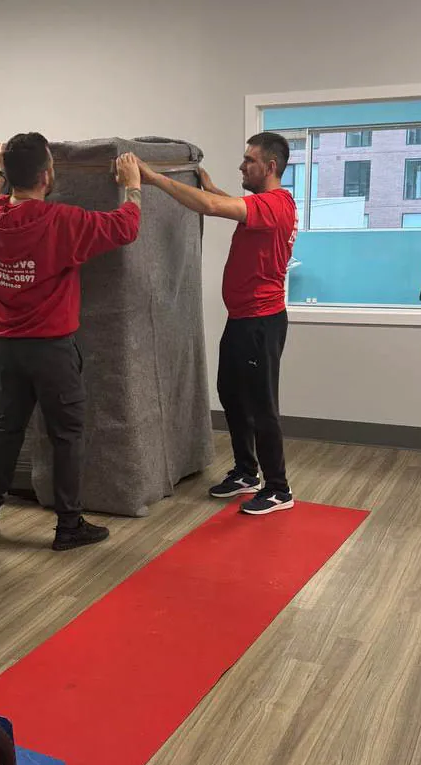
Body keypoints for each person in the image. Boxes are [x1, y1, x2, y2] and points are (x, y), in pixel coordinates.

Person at [0, 134, 142, 549]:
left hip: (7, 348)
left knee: (6, 431)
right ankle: (68, 526)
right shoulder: (62, 221)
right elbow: (127, 226)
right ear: (47, 175)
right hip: (51, 350)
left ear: (9, 176)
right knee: (66, 436)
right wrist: (132, 185)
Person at [136, 132, 297, 515]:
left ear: (270, 167)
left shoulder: (275, 204)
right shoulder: (267, 204)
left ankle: (278, 489)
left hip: (261, 322)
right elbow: (225, 203)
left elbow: (209, 207)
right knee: (231, 393)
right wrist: (216, 190)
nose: (242, 166)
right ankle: (246, 472)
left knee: (262, 407)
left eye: (249, 161)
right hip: (243, 319)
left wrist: (153, 177)